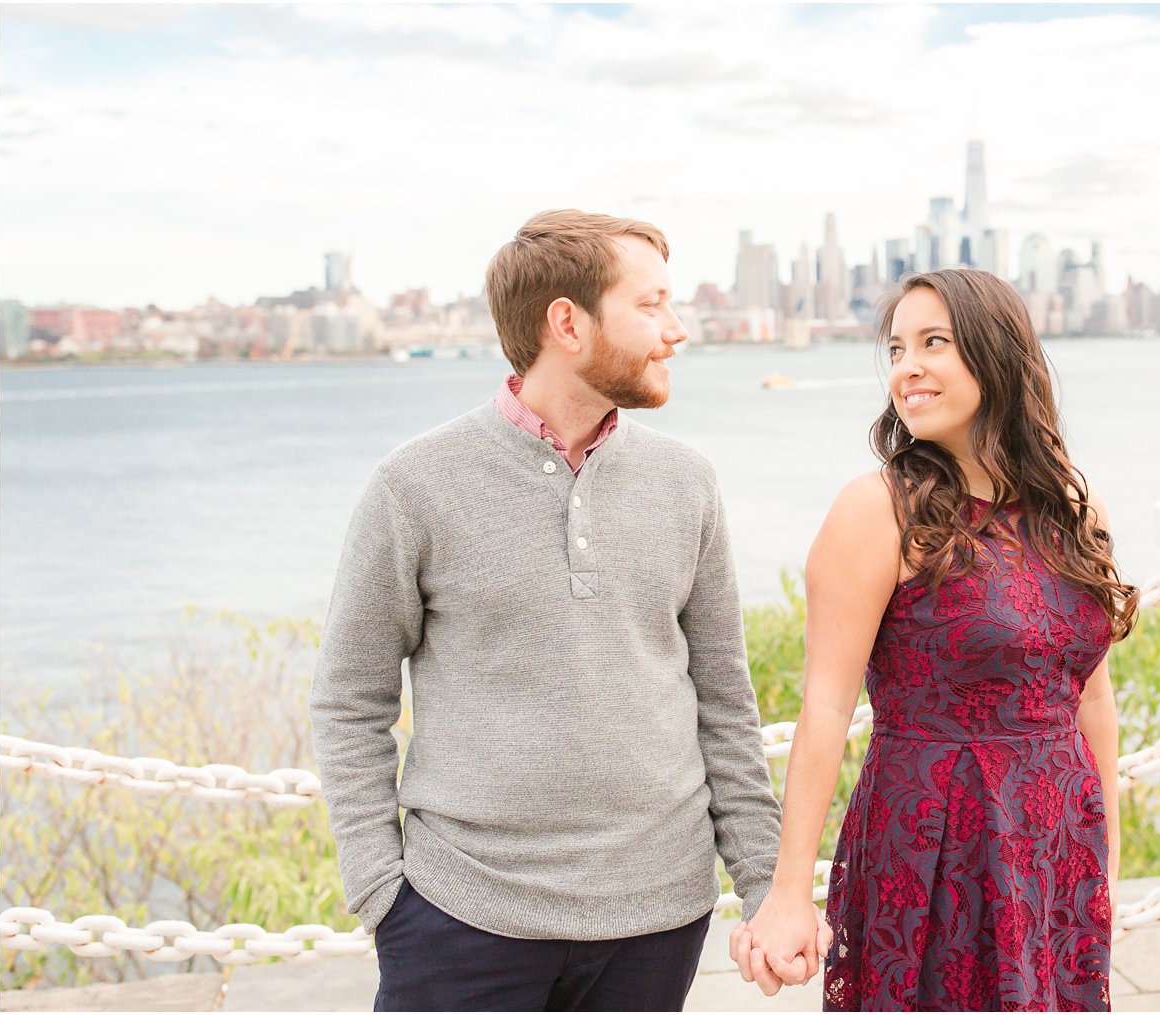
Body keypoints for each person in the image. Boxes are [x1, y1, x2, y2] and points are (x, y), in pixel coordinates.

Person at [311, 209, 805, 1011]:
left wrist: (761, 884)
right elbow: (348, 698)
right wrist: (382, 893)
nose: (676, 330)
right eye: (651, 305)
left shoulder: (688, 483)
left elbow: (724, 700)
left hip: (658, 921)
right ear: (567, 323)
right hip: (459, 919)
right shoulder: (415, 486)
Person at [733, 268, 1134, 1010]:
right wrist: (790, 890)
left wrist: (1105, 853)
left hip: (1054, 845)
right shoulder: (877, 509)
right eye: (896, 348)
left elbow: (1093, 696)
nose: (906, 367)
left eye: (933, 342)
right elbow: (824, 705)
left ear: (996, 353)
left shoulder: (1076, 506)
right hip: (934, 844)